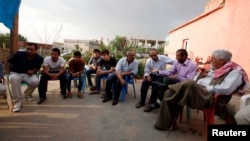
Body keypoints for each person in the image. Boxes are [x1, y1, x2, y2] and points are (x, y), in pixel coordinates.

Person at [154, 49, 249, 130]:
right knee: (170, 93)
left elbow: (225, 89)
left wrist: (203, 88)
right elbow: (196, 80)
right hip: (199, 93)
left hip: (211, 98)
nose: (211, 61)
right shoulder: (215, 69)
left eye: (213, 59)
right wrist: (199, 77)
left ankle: (166, 86)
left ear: (222, 60)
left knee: (188, 83)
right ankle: (165, 124)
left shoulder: (235, 72)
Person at [5, 43, 44, 112]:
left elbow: (37, 68)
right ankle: (18, 102)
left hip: (27, 74)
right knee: (13, 79)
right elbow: (9, 62)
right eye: (28, 49)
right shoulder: (19, 54)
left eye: (31, 49)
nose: (29, 51)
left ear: (36, 50)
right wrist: (7, 71)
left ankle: (27, 94)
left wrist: (33, 71)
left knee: (35, 81)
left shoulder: (39, 58)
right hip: (15, 73)